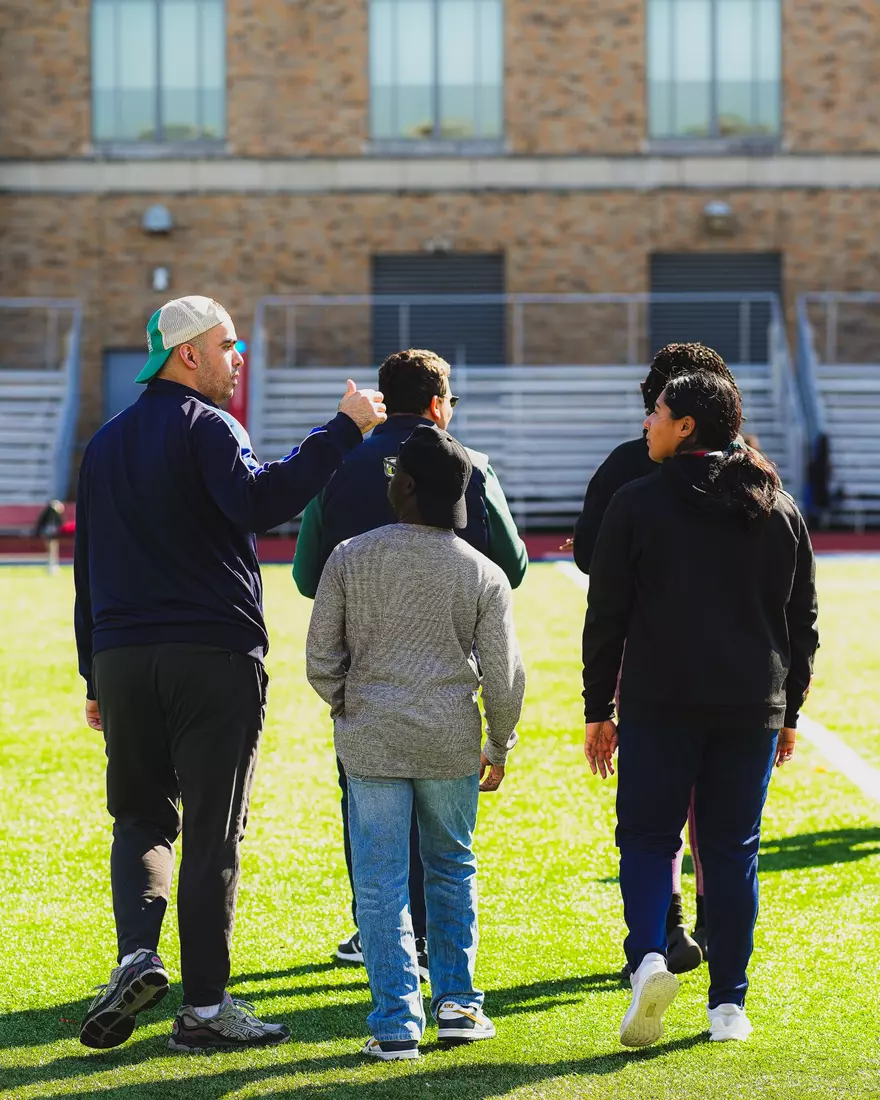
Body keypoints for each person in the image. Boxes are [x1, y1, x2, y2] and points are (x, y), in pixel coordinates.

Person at [73, 295, 386, 1053]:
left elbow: (86, 570)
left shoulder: (104, 443)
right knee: (214, 833)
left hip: (121, 656)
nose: (238, 355)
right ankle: (207, 1013)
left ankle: (137, 957)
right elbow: (259, 501)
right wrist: (343, 430)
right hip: (210, 654)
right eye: (228, 343)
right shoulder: (210, 426)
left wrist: (93, 677)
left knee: (142, 819)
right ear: (189, 355)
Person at [582, 372, 818, 1047]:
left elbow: (607, 618)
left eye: (656, 411)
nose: (647, 422)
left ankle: (649, 959)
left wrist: (599, 706)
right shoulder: (778, 506)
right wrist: (790, 712)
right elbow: (803, 622)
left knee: (649, 841)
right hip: (751, 707)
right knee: (731, 851)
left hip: (660, 704)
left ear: (687, 425)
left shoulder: (637, 501)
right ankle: (728, 1008)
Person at [293, 348, 527, 973]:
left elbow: (306, 576)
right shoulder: (470, 466)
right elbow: (514, 567)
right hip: (450, 684)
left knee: (370, 822)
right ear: (435, 404)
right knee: (448, 845)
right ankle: (438, 959)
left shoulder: (339, 465)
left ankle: (382, 945)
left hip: (366, 686)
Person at [572, 343, 740, 974]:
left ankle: (660, 929)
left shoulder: (626, 467)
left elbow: (591, 557)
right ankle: (713, 929)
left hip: (648, 656)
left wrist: (598, 703)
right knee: (716, 811)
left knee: (652, 808)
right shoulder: (752, 472)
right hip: (738, 665)